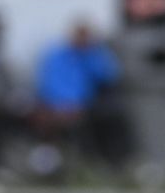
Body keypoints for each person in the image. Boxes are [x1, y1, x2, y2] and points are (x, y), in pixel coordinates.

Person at [33, 21, 129, 172]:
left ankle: (112, 162)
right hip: (56, 106)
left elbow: (109, 76)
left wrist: (92, 54)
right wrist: (65, 103)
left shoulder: (93, 54)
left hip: (87, 107)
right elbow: (48, 84)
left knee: (113, 116)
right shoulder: (56, 56)